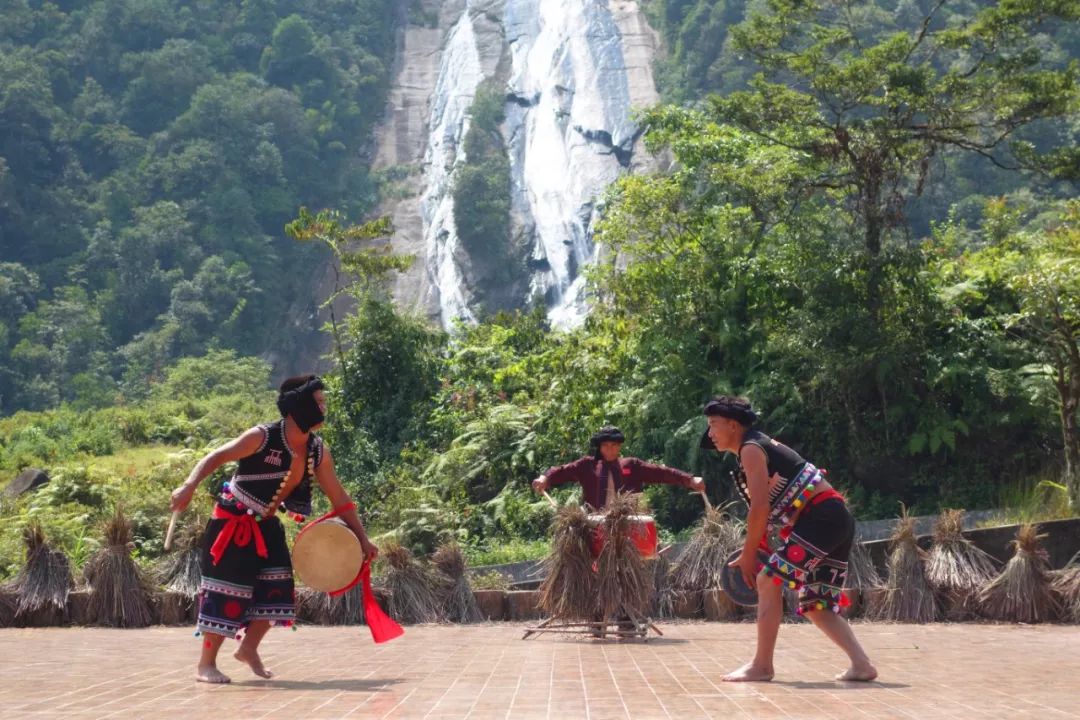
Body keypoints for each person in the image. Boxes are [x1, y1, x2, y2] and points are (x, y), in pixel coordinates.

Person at [169, 375, 378, 684]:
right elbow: (216, 456)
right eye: (318, 403)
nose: (324, 408)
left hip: (266, 524)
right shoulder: (262, 437)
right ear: (300, 406)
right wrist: (188, 486)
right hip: (232, 521)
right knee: (225, 592)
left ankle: (248, 649)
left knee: (278, 592)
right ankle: (206, 665)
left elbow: (339, 498)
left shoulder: (317, 450)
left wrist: (362, 538)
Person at [700, 395, 877, 683]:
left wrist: (748, 556)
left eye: (713, 425)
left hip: (822, 518)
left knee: (768, 580)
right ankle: (862, 665)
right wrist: (756, 547)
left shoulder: (751, 449)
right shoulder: (758, 445)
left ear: (733, 425)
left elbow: (760, 508)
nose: (710, 433)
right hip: (833, 518)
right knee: (816, 604)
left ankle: (762, 666)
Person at [531, 425, 704, 506]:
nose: (610, 449)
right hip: (595, 524)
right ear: (599, 447)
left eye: (614, 445)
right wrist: (544, 478)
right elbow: (561, 471)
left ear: (619, 446)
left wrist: (689, 480)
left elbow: (662, 473)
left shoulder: (632, 465)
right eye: (605, 445)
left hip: (628, 524)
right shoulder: (587, 465)